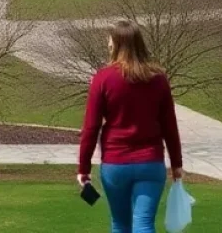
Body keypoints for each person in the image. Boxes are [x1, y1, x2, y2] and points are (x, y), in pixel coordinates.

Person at [77, 20, 183, 233]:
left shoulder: (103, 79)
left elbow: (91, 127)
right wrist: (177, 163)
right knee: (144, 224)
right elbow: (169, 126)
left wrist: (84, 168)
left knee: (120, 224)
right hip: (150, 162)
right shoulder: (159, 79)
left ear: (115, 44)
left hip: (115, 163)